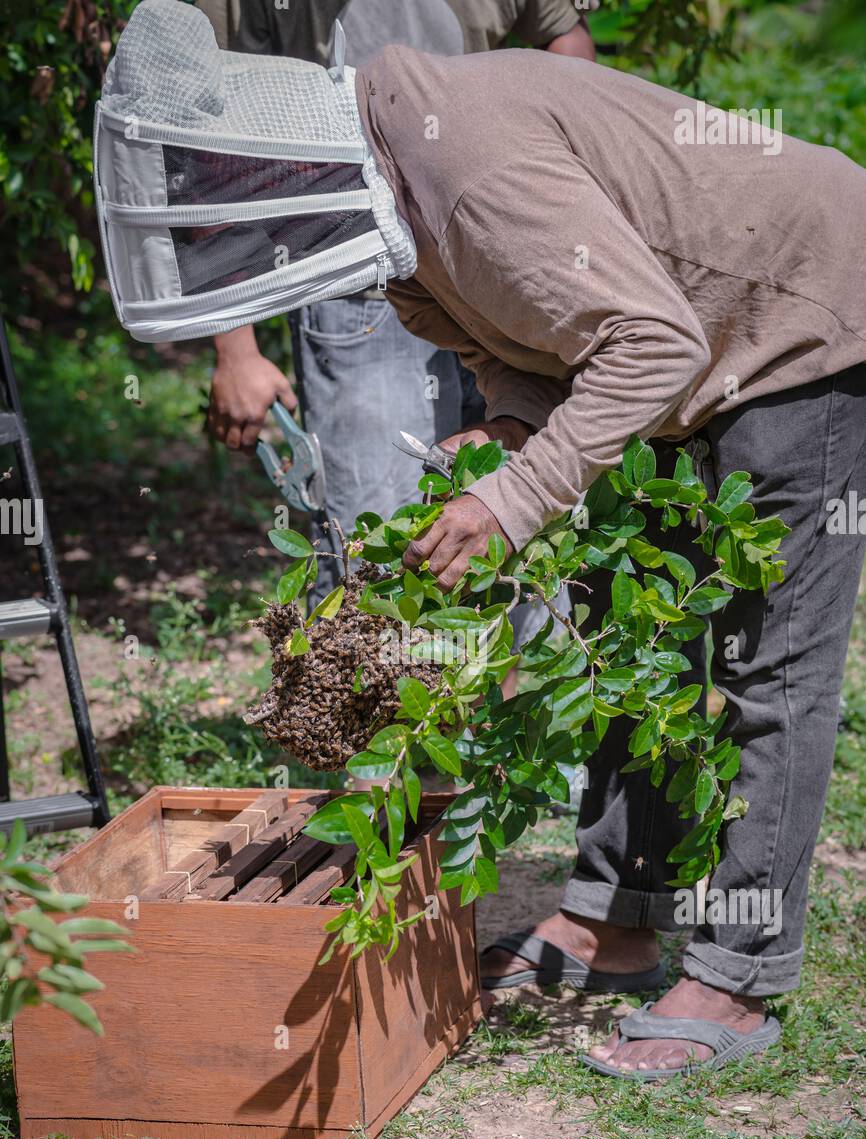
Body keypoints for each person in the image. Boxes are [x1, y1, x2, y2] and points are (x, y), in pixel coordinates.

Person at [98, 4, 866, 1079]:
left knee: (762, 656)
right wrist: (509, 430)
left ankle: (740, 976)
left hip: (799, 316)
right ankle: (615, 916)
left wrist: (512, 500)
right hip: (688, 340)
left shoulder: (465, 177)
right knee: (623, 633)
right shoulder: (396, 224)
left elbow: (650, 343)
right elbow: (517, 339)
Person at [196, 0, 597, 610]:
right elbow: (206, 123)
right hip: (357, 286)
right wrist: (235, 343)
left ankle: (519, 703)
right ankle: (387, 703)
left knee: (528, 542)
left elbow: (566, 42)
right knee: (378, 554)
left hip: (499, 282)